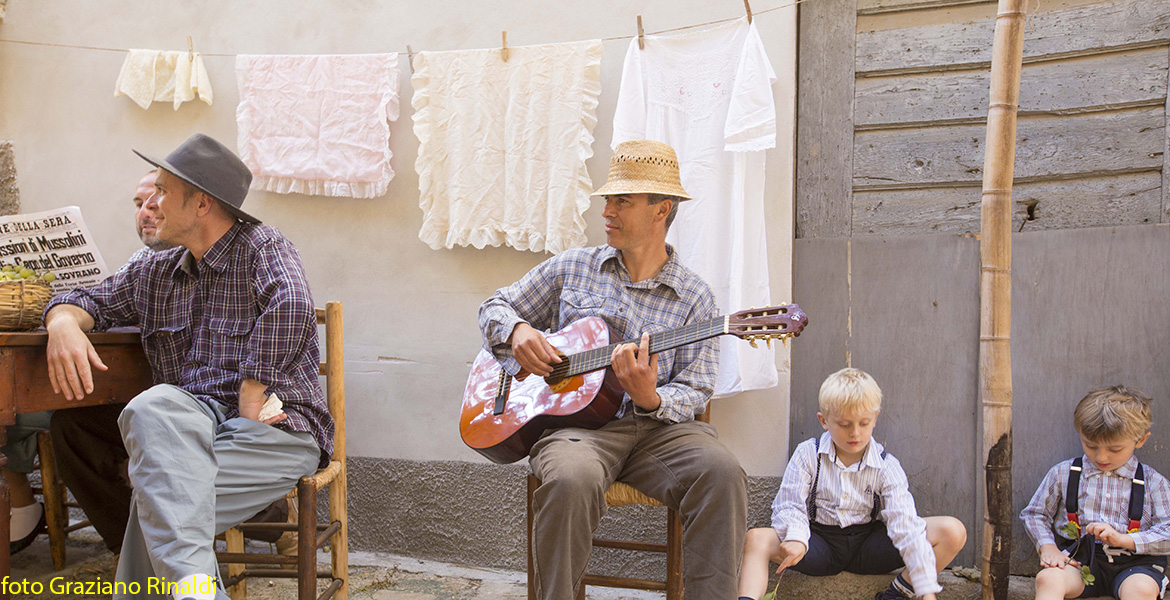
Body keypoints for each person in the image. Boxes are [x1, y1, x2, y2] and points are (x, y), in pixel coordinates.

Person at [43, 133, 332, 600]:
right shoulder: (152, 269)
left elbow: (292, 303)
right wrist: (62, 323)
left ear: (201, 204)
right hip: (185, 430)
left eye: (160, 191)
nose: (150, 202)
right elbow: (88, 298)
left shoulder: (262, 245)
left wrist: (251, 394)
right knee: (154, 410)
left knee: (156, 499)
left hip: (272, 431)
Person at [478, 139, 747, 600]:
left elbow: (698, 388)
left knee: (722, 472)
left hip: (658, 432)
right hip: (576, 431)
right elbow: (493, 306)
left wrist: (652, 397)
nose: (608, 210)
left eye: (623, 200)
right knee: (570, 479)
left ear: (662, 210)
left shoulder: (696, 298)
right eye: (608, 199)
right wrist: (518, 331)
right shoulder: (573, 267)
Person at [738, 368, 966, 600]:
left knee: (952, 531)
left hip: (868, 547)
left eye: (864, 423)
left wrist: (926, 591)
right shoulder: (808, 453)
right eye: (844, 424)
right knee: (756, 538)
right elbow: (788, 505)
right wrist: (796, 538)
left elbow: (906, 526)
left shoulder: (886, 466)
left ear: (875, 419)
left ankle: (897, 594)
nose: (855, 433)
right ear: (824, 420)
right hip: (818, 544)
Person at [1021, 386, 1170, 600]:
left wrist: (1124, 539)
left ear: (1141, 440)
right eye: (1090, 445)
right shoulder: (1065, 473)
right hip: (1079, 561)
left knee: (1140, 591)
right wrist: (1047, 547)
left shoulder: (1153, 482)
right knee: (1048, 579)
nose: (1101, 457)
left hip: (1135, 565)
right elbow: (1035, 514)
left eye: (1115, 449)